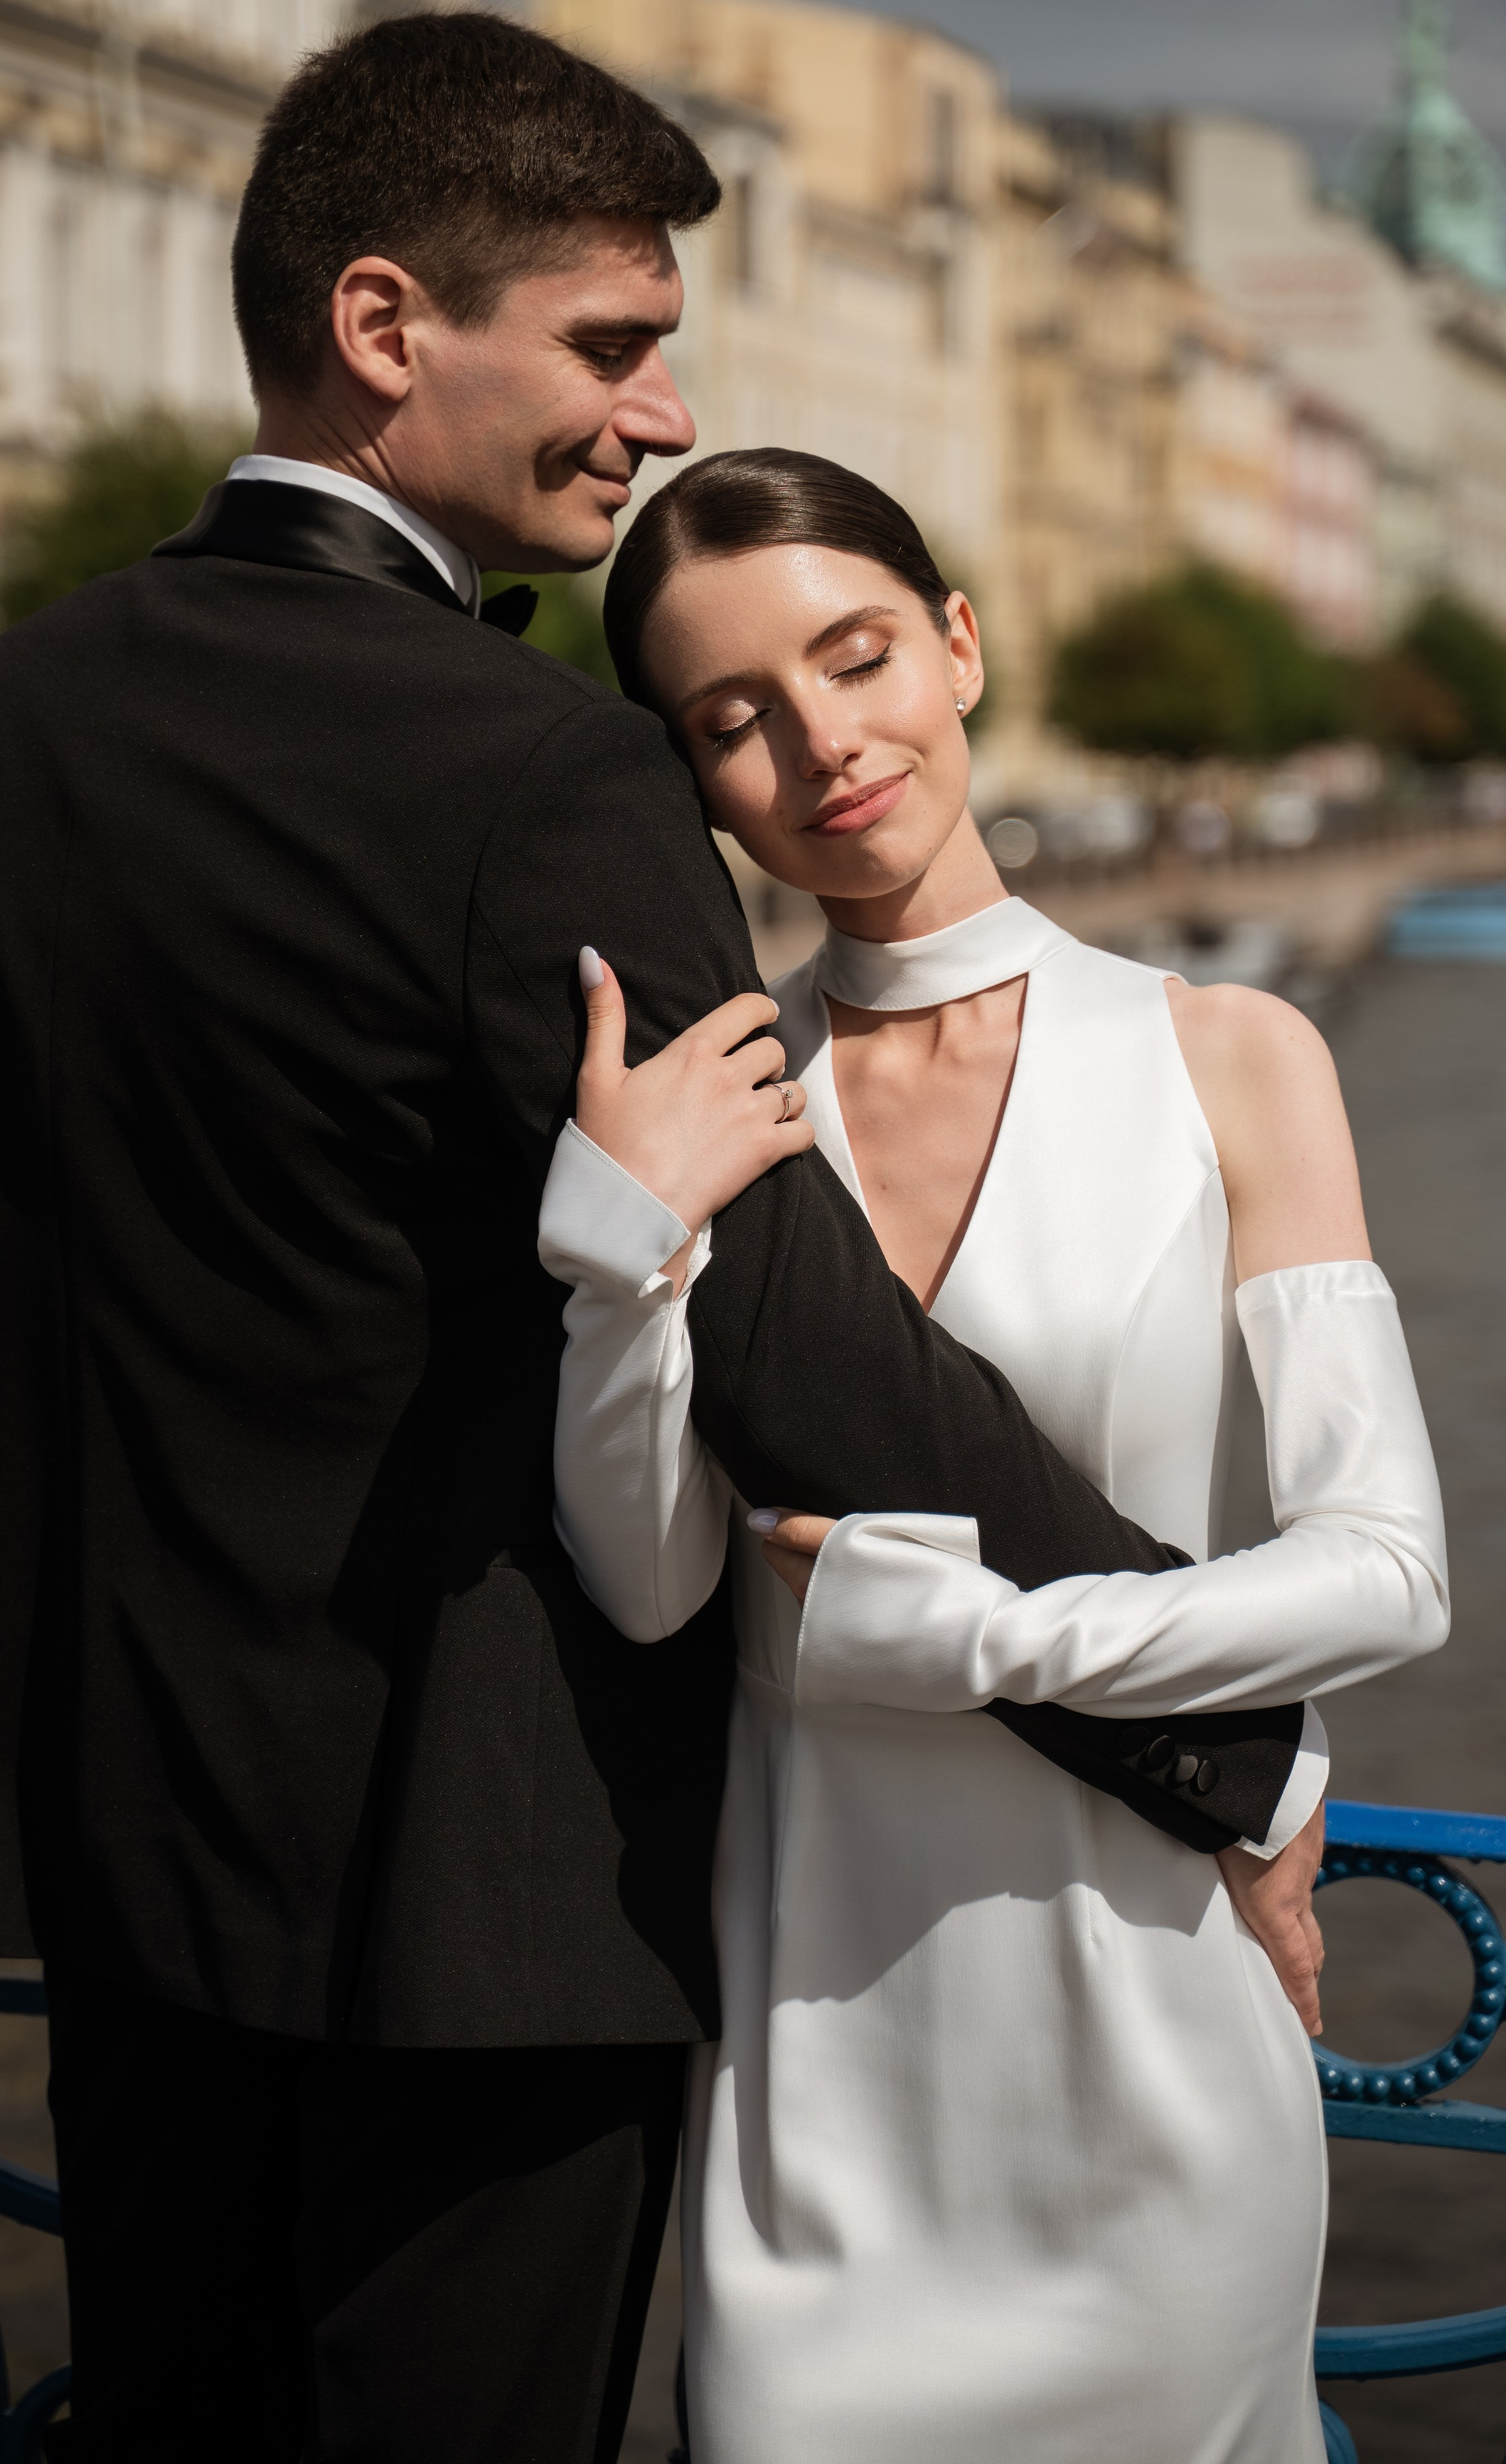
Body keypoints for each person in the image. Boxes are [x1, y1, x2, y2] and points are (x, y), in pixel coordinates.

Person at [0, 17, 1317, 2460]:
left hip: (122, 1870)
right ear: (388, 324)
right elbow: (808, 1345)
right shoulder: (546, 766)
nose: (653, 421)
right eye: (613, 348)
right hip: (484, 1900)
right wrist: (1223, 1730)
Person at [538, 447, 1448, 2463]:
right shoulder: (724, 1103)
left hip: (1151, 2050)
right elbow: (655, 1580)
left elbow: (1392, 1567)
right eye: (734, 718)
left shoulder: (1228, 1051)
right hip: (815, 2074)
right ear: (690, 779)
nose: (821, 743)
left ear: (958, 644)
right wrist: (613, 1258)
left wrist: (976, 1636)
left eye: (855, 654)